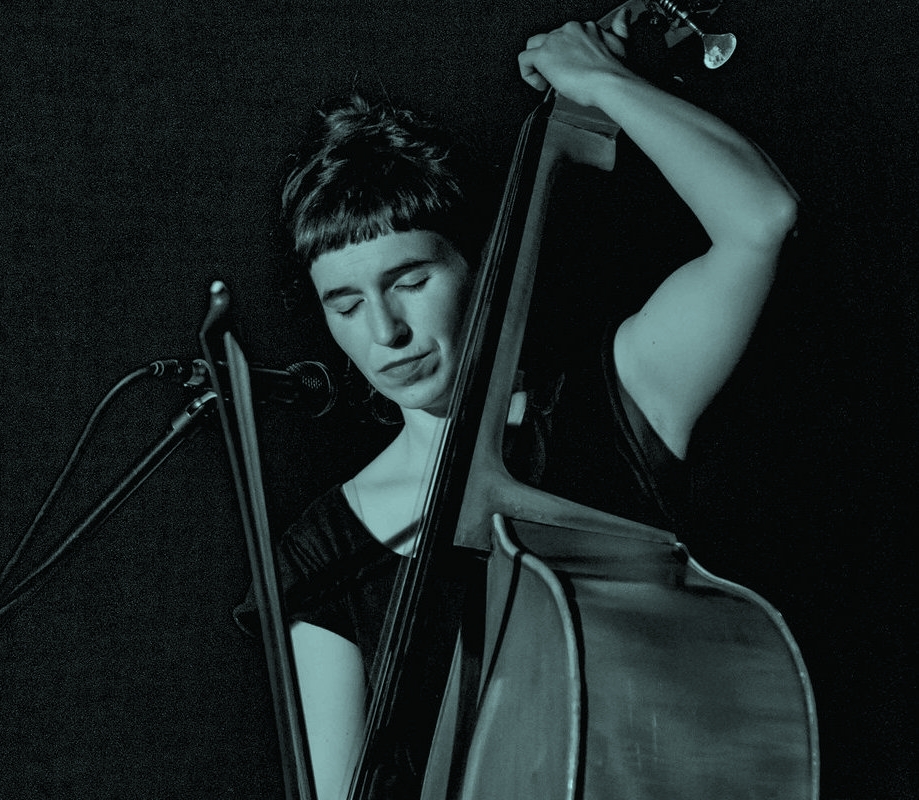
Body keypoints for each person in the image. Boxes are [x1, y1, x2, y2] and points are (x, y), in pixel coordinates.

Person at [237, 16, 798, 800]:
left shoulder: (617, 401)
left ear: (478, 264)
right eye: (346, 304)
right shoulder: (325, 554)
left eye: (410, 280)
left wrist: (602, 82)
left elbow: (758, 221)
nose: (385, 332)